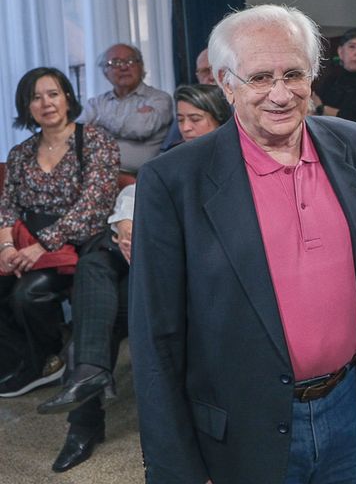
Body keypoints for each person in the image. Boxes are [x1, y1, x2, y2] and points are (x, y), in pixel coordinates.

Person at [129, 4, 356, 484]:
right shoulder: (174, 181)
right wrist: (178, 470)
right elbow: (156, 339)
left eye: (293, 74)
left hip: (351, 408)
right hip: (243, 428)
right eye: (259, 78)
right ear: (225, 83)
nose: (280, 94)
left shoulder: (352, 143)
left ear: (312, 75)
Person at [37, 84, 231, 473]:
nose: (186, 128)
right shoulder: (173, 157)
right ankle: (88, 390)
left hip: (190, 280)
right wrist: (125, 221)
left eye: (196, 119)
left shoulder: (230, 164)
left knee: (99, 304)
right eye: (181, 120)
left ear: (220, 121)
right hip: (149, 273)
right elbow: (138, 188)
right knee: (96, 271)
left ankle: (87, 398)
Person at [0, 68, 119, 398]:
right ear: (26, 106)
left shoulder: (95, 141)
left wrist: (43, 245)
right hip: (27, 242)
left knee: (26, 295)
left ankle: (46, 360)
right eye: (35, 97)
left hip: (79, 242)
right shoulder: (21, 153)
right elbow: (8, 206)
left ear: (67, 97)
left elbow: (94, 206)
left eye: (53, 94)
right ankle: (23, 359)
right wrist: (6, 246)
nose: (46, 103)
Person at [79, 43, 173, 173]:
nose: (123, 67)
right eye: (115, 63)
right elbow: (78, 133)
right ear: (105, 72)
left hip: (139, 176)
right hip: (95, 173)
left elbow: (140, 129)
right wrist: (130, 119)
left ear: (141, 67)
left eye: (130, 61)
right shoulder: (95, 103)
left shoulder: (159, 99)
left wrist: (99, 120)